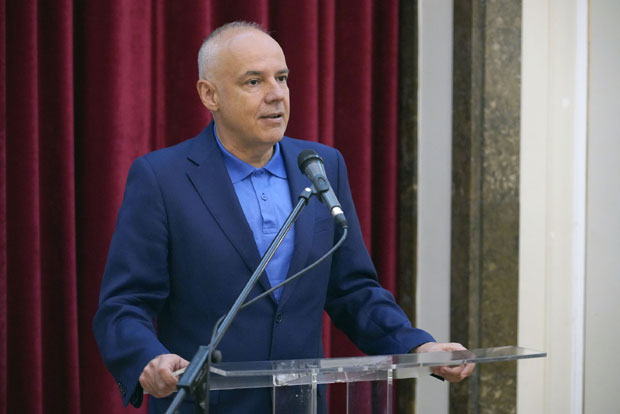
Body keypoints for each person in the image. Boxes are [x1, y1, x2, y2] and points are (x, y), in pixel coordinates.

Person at [93, 21, 474, 414]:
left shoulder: (321, 166)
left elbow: (353, 290)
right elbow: (125, 304)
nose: (276, 94)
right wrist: (148, 358)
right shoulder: (162, 179)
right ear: (210, 95)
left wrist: (417, 346)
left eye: (282, 78)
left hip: (300, 404)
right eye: (253, 81)